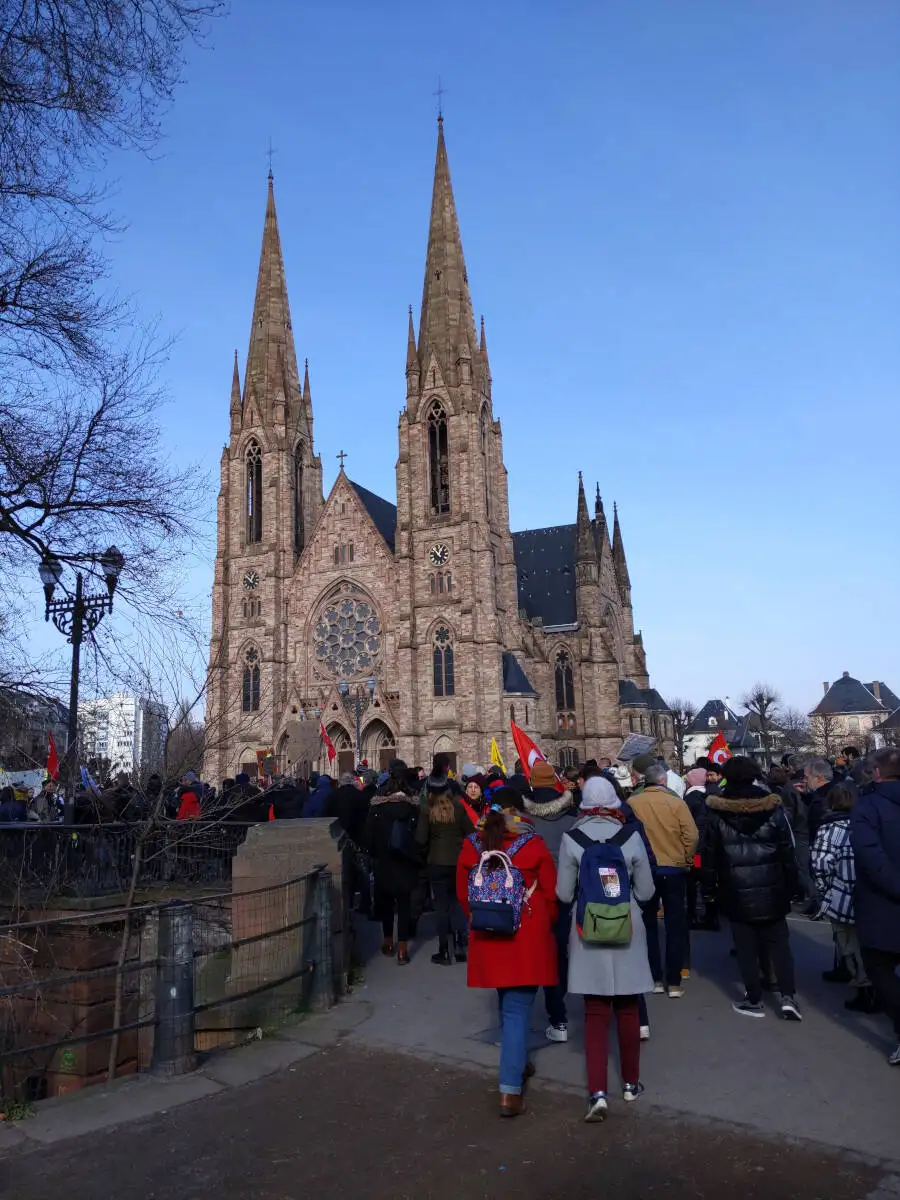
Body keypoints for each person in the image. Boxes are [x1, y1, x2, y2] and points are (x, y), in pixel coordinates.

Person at [556, 774, 655, 1121]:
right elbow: (645, 890)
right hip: (626, 923)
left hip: (588, 925)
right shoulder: (630, 835)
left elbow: (563, 894)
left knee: (595, 1015)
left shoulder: (572, 838)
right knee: (628, 1009)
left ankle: (597, 1092)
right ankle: (630, 1084)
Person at [456, 786, 558, 1117]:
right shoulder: (532, 844)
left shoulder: (474, 844)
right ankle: (510, 1091)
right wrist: (544, 923)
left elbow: (462, 892)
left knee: (506, 1001)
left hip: (488, 933)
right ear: (519, 810)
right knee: (516, 1009)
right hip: (524, 936)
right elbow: (551, 894)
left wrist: (480, 916)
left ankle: (518, 1062)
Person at [704, 756, 801, 1020]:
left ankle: (754, 997)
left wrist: (709, 890)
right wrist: (793, 885)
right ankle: (788, 996)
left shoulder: (716, 812)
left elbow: (710, 855)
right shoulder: (773, 808)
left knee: (745, 947)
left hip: (735, 887)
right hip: (772, 885)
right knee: (779, 944)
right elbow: (786, 851)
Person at [628, 762, 698, 997]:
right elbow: (692, 835)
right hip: (674, 867)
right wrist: (686, 858)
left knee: (648, 924)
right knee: (675, 925)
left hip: (645, 868)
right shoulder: (676, 803)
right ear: (663, 782)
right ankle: (675, 981)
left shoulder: (633, 803)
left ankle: (655, 977)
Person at [850, 746, 900, 1067]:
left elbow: (871, 857)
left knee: (879, 967)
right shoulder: (868, 804)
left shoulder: (866, 806)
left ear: (876, 773)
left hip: (882, 901)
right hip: (884, 897)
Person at [811, 781, 879, 1013]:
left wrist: (824, 892)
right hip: (870, 893)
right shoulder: (869, 822)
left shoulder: (828, 828)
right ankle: (874, 987)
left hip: (842, 895)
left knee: (849, 946)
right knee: (868, 945)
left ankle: (865, 991)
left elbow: (821, 864)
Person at [522, 760, 576, 1043]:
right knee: (559, 952)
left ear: (531, 782)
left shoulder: (522, 819)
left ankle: (524, 1018)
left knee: (534, 953)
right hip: (563, 893)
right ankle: (559, 1011)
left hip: (532, 897)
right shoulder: (572, 817)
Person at [365, 763, 421, 965]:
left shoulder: (378, 804)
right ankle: (403, 949)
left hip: (384, 860)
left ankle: (388, 942)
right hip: (405, 860)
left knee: (386, 903)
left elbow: (369, 834)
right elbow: (419, 834)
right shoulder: (413, 804)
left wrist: (372, 854)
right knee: (404, 905)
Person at [416, 775, 474, 964]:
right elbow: (471, 833)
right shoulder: (458, 807)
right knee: (457, 903)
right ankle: (459, 945)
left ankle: (444, 950)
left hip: (437, 863)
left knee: (441, 907)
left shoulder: (427, 810)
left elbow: (421, 839)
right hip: (458, 862)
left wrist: (427, 852)